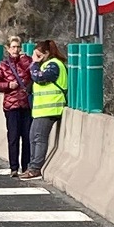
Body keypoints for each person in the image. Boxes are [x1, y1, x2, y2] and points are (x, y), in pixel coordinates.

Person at [20, 39, 68, 180]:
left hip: (51, 108)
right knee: (33, 137)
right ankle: (32, 166)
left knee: (39, 138)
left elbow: (40, 78)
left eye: (38, 55)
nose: (35, 58)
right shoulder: (46, 64)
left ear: (46, 53)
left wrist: (34, 64)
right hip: (41, 110)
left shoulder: (54, 65)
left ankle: (35, 168)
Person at [0, 35, 33, 177]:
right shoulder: (3, 65)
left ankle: (26, 166)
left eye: (18, 47)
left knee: (27, 137)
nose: (16, 50)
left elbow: (33, 73)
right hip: (11, 106)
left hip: (26, 104)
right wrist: (8, 85)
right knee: (14, 137)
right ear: (8, 49)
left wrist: (24, 60)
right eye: (13, 47)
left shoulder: (26, 61)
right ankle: (14, 167)